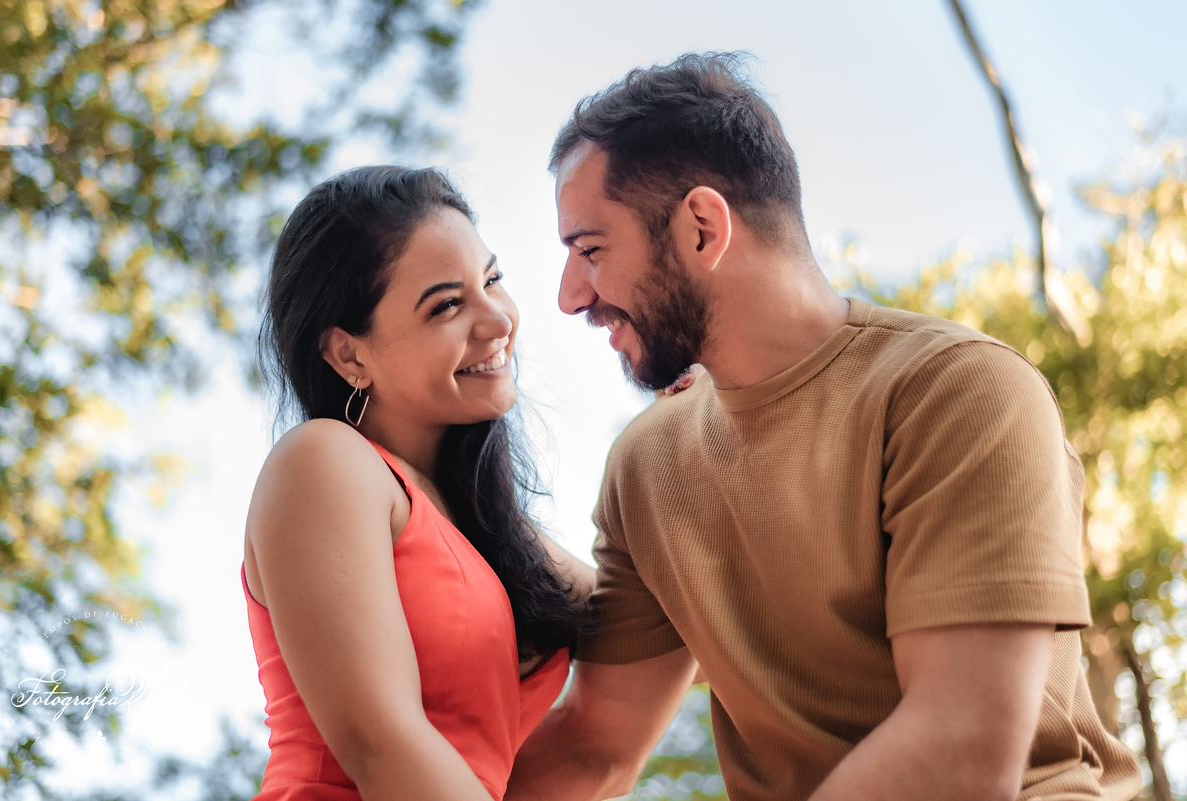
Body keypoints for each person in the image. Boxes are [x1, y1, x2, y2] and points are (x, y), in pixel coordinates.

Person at [504, 53, 1142, 801]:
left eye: (590, 249)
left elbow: (960, 751)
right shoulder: (648, 465)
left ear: (703, 228)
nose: (569, 295)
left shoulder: (958, 392)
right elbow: (594, 745)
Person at [241, 165, 597, 801]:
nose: (498, 321)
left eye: (492, 281)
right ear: (349, 354)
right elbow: (383, 746)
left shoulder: (481, 528)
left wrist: (696, 426)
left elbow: (659, 620)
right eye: (448, 305)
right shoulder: (324, 461)